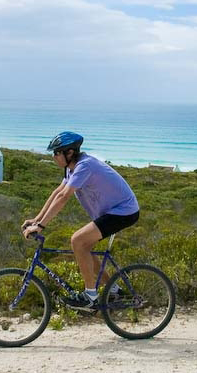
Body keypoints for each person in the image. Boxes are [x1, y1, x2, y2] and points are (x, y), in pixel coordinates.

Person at [22, 131, 140, 309]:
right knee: (84, 246)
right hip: (113, 212)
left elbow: (64, 197)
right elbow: (57, 192)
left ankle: (90, 297)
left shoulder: (85, 166)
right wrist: (36, 219)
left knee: (77, 240)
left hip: (124, 211)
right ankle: (113, 290)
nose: (54, 156)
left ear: (69, 153)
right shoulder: (72, 169)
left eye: (56, 152)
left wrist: (41, 226)